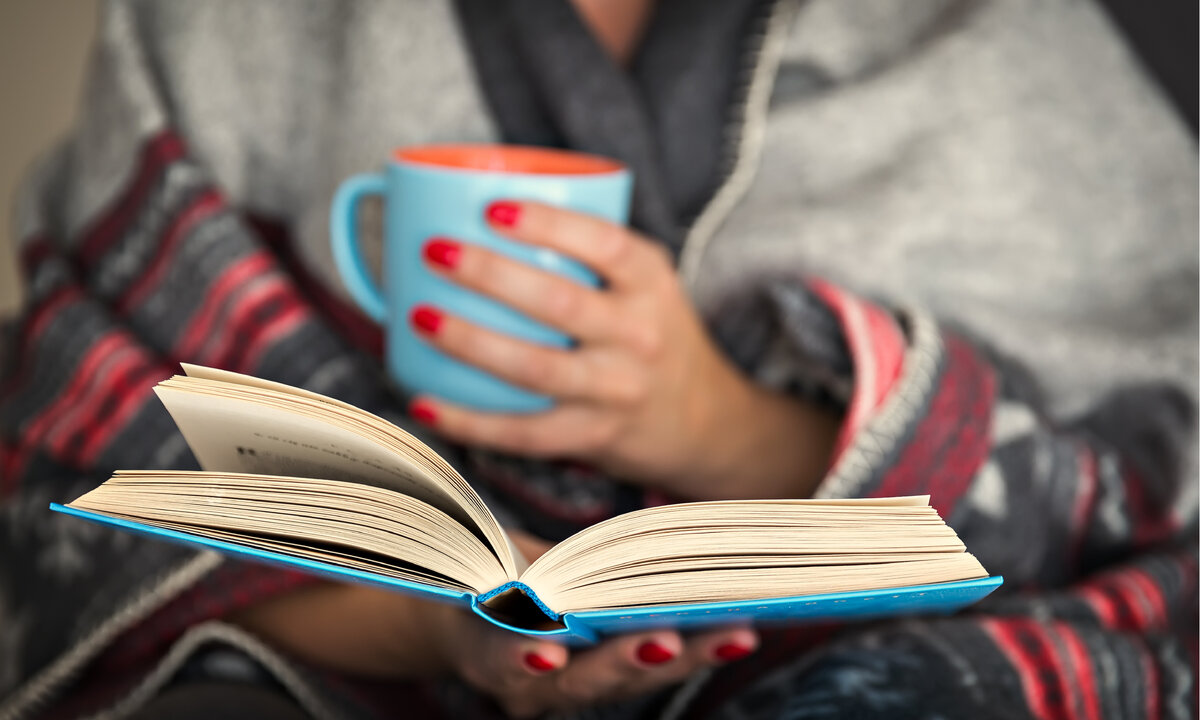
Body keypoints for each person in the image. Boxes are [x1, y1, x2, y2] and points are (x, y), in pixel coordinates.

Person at [1, 0, 1196, 718]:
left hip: (901, 648)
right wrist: (449, 622)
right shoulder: (230, 25)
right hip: (344, 660)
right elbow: (93, 466)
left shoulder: (1012, 39)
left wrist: (714, 419)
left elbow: (1155, 474)